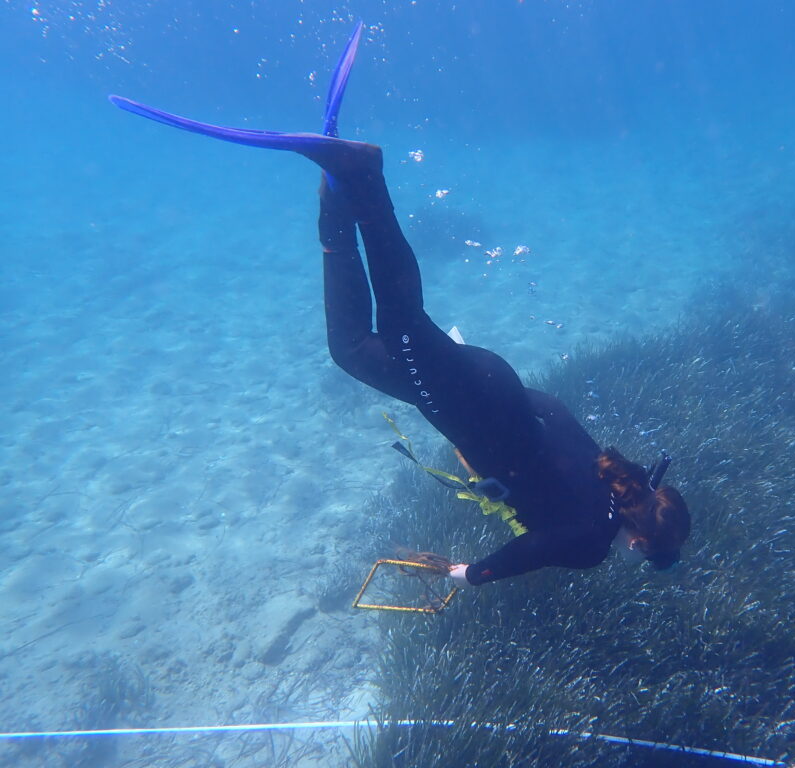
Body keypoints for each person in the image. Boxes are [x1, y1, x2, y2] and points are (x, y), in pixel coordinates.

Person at [109, 23, 690, 587]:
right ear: (642, 544)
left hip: (491, 386)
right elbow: (533, 549)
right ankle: (363, 176)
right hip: (469, 404)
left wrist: (471, 383)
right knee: (401, 321)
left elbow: (552, 411)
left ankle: (335, 192)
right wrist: (471, 574)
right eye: (647, 558)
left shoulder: (616, 477)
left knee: (351, 350)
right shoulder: (592, 544)